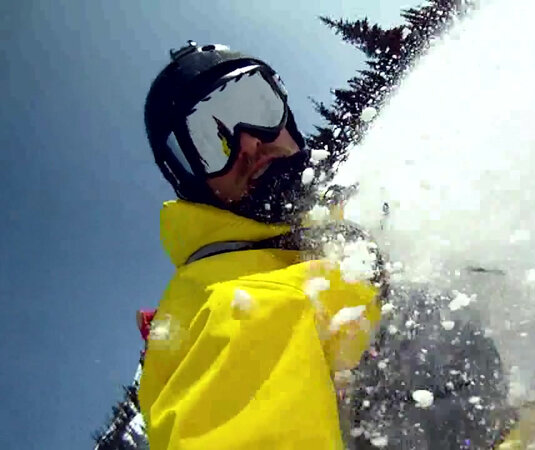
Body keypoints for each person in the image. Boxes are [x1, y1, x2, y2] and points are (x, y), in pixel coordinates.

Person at [138, 40, 384, 449]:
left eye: (256, 105)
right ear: (189, 181)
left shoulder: (359, 212)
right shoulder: (224, 309)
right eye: (210, 141)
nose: (249, 144)